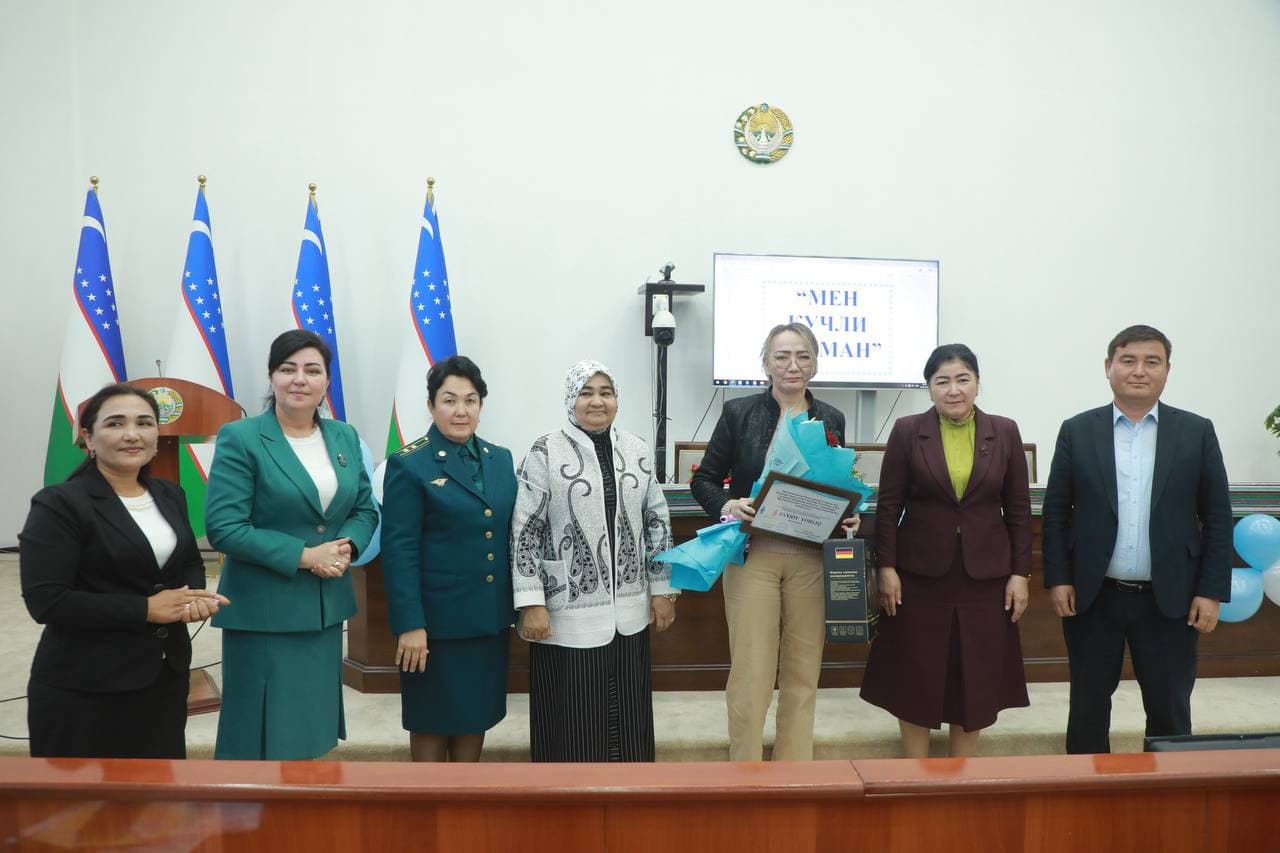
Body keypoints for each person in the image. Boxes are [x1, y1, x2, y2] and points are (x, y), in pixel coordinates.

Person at [1042, 325, 1232, 754]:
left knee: (1169, 710)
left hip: (1173, 598)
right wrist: (1058, 578)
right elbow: (1056, 511)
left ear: (1167, 371)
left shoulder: (1196, 432)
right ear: (1108, 367)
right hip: (1093, 595)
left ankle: (1168, 805)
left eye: (1152, 362)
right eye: (1128, 360)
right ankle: (1086, 801)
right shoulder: (1077, 430)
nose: (1139, 371)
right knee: (1088, 708)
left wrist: (1210, 591)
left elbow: (1218, 516)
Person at [19, 383, 228, 758]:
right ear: (88, 438)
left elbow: (188, 561)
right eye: (115, 423)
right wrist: (146, 609)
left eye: (144, 423)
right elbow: (47, 601)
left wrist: (194, 597)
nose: (132, 434)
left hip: (164, 677)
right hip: (87, 687)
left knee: (155, 802)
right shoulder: (60, 504)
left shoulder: (169, 494)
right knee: (84, 812)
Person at [206, 330, 378, 760]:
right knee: (260, 737)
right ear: (272, 376)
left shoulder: (342, 436)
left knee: (310, 732)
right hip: (265, 612)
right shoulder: (241, 437)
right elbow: (224, 527)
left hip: (323, 609)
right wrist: (304, 557)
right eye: (288, 369)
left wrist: (348, 547)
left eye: (312, 370)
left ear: (326, 382)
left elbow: (364, 508)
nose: (300, 379)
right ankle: (250, 823)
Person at [690, 322, 859, 761]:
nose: (793, 365)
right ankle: (744, 775)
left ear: (815, 363)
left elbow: (841, 485)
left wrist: (848, 517)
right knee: (751, 674)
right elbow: (705, 480)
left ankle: (794, 774)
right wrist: (729, 506)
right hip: (752, 557)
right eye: (782, 356)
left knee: (803, 674)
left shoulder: (832, 418)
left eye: (803, 356)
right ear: (765, 362)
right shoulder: (739, 413)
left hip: (811, 559)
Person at [859, 344, 1031, 757]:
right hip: (918, 575)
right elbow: (888, 508)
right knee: (915, 671)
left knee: (976, 673)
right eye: (942, 382)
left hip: (985, 577)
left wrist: (1020, 574)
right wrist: (887, 567)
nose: (953, 390)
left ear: (977, 383)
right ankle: (914, 770)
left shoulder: (1004, 431)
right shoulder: (907, 430)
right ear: (929, 388)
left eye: (962, 379)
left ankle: (961, 772)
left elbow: (1019, 511)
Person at [511, 360, 675, 762]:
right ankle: (569, 806)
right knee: (573, 723)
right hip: (565, 610)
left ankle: (628, 803)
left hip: (631, 611)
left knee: (629, 719)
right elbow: (524, 528)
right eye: (586, 392)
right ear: (571, 399)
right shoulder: (545, 450)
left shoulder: (637, 449)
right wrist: (531, 602)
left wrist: (664, 589)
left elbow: (656, 520)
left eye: (606, 392)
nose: (597, 401)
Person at [380, 356, 517, 762]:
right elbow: (399, 549)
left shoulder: (500, 458)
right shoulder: (410, 463)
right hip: (434, 629)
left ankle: (463, 809)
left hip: (487, 622)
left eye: (471, 401)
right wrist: (410, 625)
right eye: (450, 400)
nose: (461, 411)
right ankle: (429, 815)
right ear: (431, 405)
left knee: (475, 719)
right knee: (432, 722)